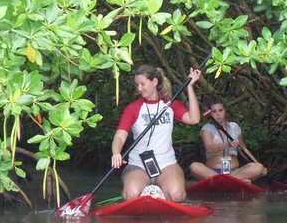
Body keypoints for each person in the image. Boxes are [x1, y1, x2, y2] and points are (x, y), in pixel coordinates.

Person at [111, 64, 202, 202]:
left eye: (143, 84)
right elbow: (120, 135)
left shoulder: (170, 105)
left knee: (176, 195)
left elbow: (194, 119)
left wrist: (190, 86)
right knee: (131, 195)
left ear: (154, 82)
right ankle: (146, 193)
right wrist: (116, 152)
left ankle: (159, 192)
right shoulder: (133, 108)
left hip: (167, 163)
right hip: (138, 164)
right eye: (137, 85)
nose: (139, 89)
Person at [189, 101, 266, 182]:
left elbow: (243, 148)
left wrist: (257, 164)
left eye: (220, 110)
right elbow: (209, 148)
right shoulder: (207, 129)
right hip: (212, 171)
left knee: (258, 167)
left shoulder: (235, 127)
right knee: (194, 167)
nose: (218, 114)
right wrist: (228, 144)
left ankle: (224, 180)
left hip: (234, 172)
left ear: (225, 111)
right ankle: (233, 180)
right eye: (214, 111)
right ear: (210, 114)